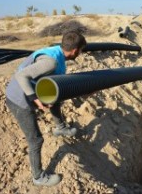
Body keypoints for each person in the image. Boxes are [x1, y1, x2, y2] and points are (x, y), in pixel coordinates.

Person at [5, 31, 87, 186]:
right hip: (18, 99)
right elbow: (21, 76)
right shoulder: (51, 62)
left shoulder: (57, 52)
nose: (80, 54)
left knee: (56, 99)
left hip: (30, 88)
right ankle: (38, 177)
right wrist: (34, 98)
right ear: (75, 50)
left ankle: (60, 128)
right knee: (36, 140)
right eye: (81, 51)